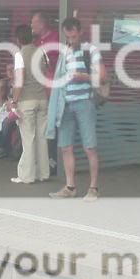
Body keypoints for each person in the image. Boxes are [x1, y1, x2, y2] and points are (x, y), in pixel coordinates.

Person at [46, 17, 103, 201]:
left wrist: (83, 77)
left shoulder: (91, 50)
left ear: (80, 32)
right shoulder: (66, 52)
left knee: (90, 147)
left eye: (73, 36)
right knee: (65, 147)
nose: (70, 40)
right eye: (67, 37)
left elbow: (101, 76)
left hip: (84, 103)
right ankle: (70, 187)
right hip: (66, 104)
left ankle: (93, 188)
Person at [10, 23, 50, 184]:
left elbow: (19, 81)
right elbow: (46, 71)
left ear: (18, 39)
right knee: (41, 138)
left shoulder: (19, 55)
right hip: (42, 99)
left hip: (26, 101)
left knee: (28, 138)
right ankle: (43, 173)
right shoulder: (42, 52)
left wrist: (14, 101)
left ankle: (27, 175)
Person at [31, 11, 59, 175]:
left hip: (53, 90)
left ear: (42, 24)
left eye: (34, 22)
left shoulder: (55, 37)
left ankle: (53, 161)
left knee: (52, 126)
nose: (31, 26)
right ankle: (40, 162)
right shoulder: (35, 41)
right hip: (39, 90)